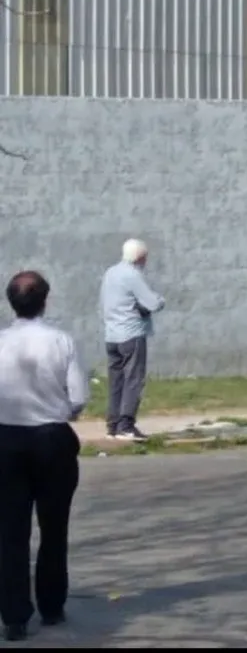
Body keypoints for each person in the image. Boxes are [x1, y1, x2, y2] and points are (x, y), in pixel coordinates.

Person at [0, 271, 88, 641]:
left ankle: (14, 615)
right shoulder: (60, 341)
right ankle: (51, 605)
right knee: (54, 527)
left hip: (6, 439)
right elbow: (79, 396)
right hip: (51, 438)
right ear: (45, 301)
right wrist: (60, 409)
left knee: (10, 531)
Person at [99, 238, 165, 441]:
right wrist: (161, 300)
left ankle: (113, 424)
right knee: (133, 380)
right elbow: (152, 303)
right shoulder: (133, 275)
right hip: (131, 333)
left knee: (116, 380)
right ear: (140, 257)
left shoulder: (111, 273)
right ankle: (126, 425)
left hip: (112, 334)